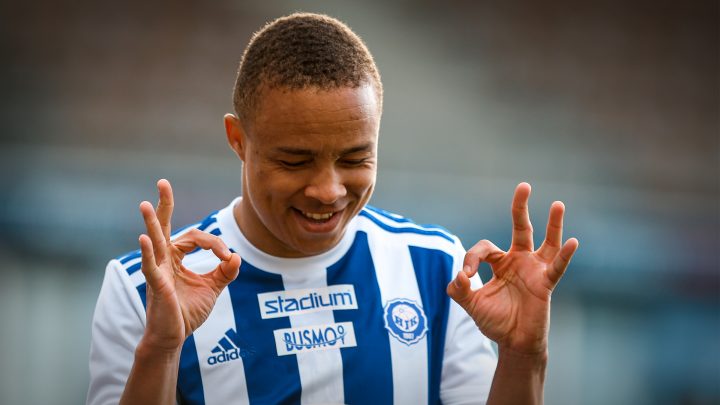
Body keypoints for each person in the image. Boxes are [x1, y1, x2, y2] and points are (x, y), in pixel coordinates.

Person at [87, 12, 578, 405]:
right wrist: (163, 349)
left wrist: (522, 355)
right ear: (239, 139)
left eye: (355, 158)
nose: (328, 190)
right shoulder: (142, 289)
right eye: (295, 160)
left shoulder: (436, 268)